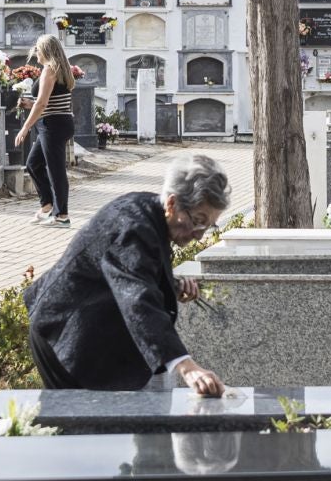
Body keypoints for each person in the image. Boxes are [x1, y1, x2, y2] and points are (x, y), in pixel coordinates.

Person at [24, 153, 231, 395]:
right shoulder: (133, 228)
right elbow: (137, 297)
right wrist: (186, 366)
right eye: (198, 221)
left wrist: (170, 287)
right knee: (83, 429)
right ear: (173, 204)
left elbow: (134, 271)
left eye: (208, 225)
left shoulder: (152, 213)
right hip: (64, 334)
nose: (199, 234)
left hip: (86, 331)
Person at [15, 33, 77, 226]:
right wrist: (29, 104)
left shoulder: (50, 70)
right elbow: (48, 100)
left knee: (56, 171)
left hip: (53, 124)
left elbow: (42, 103)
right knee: (34, 164)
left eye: (38, 49)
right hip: (57, 121)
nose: (36, 53)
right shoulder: (61, 69)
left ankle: (62, 215)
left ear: (46, 51)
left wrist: (25, 128)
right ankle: (47, 205)